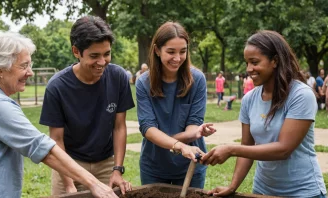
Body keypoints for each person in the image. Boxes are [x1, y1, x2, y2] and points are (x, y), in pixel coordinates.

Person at [0, 31, 118, 198]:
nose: (30, 72)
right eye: (23, 66)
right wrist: (94, 184)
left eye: (30, 65)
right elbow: (43, 149)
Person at [201, 30, 327, 197]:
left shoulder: (301, 95)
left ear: (274, 61)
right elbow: (247, 146)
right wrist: (232, 187)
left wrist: (231, 149)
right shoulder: (249, 99)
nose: (249, 69)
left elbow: (284, 149)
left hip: (302, 191)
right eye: (247, 63)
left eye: (254, 62)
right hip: (262, 190)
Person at [40, 16, 134, 195]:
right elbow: (56, 139)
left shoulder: (118, 77)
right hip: (69, 163)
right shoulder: (57, 86)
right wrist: (68, 183)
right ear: (76, 51)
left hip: (105, 162)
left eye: (106, 54)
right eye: (94, 56)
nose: (102, 62)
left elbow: (119, 127)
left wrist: (117, 169)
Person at [136, 21, 217, 189]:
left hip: (190, 165)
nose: (177, 58)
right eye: (171, 52)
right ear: (157, 50)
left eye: (183, 51)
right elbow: (148, 129)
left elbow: (192, 126)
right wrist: (180, 144)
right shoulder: (143, 83)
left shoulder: (197, 80)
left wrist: (195, 132)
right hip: (154, 167)